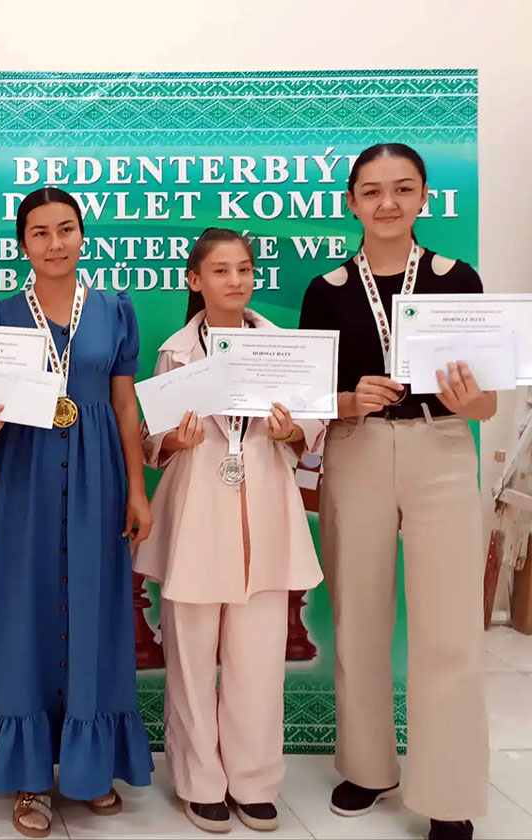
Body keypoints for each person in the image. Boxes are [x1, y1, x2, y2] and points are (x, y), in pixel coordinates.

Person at [298, 143, 493, 840]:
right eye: (373, 191)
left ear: (424, 197)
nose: (388, 203)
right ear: (351, 201)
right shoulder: (326, 289)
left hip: (442, 450)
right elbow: (309, 400)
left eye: (403, 189)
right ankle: (367, 766)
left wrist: (469, 401)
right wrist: (349, 400)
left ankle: (449, 791)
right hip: (358, 451)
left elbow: (487, 404)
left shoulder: (457, 279)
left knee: (449, 628)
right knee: (358, 615)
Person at [0, 187, 155, 839]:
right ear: (23, 244)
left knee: (97, 609)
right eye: (40, 233)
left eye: (66, 229)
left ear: (82, 235)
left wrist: (137, 489)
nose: (55, 243)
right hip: (26, 471)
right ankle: (30, 776)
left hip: (100, 473)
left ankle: (89, 766)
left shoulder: (113, 308)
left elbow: (125, 405)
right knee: (25, 612)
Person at [134, 228, 325, 833]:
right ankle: (199, 782)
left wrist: (293, 430)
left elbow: (313, 432)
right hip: (196, 515)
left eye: (243, 269)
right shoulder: (175, 353)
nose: (234, 280)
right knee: (190, 658)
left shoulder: (283, 348)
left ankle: (254, 781)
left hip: (264, 511)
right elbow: (152, 443)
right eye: (220, 271)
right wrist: (175, 439)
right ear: (195, 280)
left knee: (259, 659)